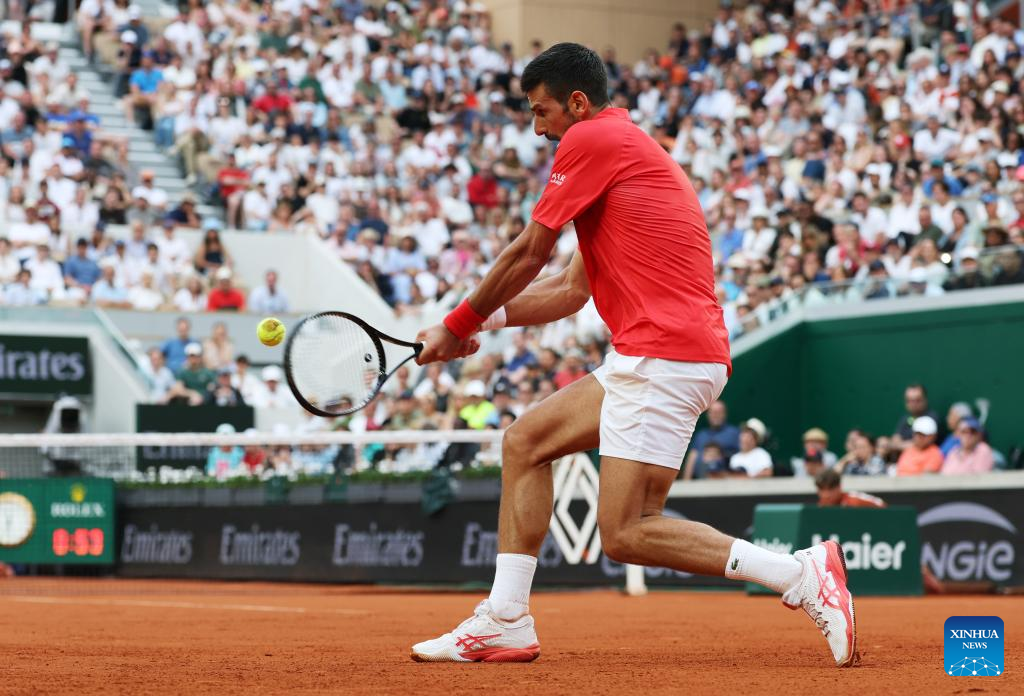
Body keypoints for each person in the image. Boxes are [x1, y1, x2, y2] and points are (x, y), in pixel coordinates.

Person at [410, 44, 855, 667]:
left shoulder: (591, 140)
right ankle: (506, 619)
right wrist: (483, 321)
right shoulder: (624, 150)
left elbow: (530, 252)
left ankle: (798, 574)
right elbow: (570, 290)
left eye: (540, 112)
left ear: (577, 103)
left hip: (664, 355)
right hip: (660, 353)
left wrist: (457, 322)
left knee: (626, 532)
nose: (537, 129)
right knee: (524, 443)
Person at [683, 400, 740, 480]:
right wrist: (686, 480)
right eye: (712, 412)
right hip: (699, 481)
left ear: (724, 414)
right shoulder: (701, 435)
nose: (715, 415)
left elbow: (742, 456)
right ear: (708, 415)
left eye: (719, 412)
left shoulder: (734, 433)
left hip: (724, 481)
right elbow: (692, 457)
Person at [892, 384, 941, 452]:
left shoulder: (931, 419)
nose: (913, 404)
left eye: (917, 400)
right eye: (909, 400)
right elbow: (896, 438)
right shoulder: (905, 418)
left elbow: (920, 444)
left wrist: (895, 446)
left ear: (925, 399)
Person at [814, 469, 886, 509]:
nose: (826, 495)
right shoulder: (822, 505)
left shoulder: (854, 500)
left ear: (839, 487)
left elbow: (881, 504)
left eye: (830, 489)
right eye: (821, 489)